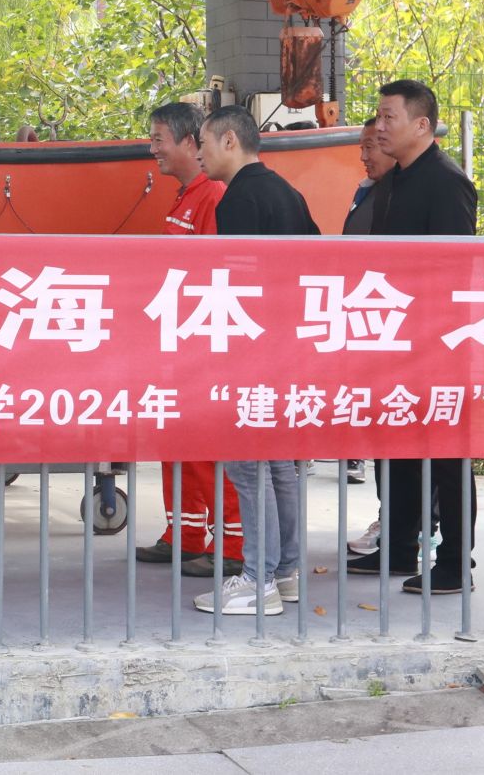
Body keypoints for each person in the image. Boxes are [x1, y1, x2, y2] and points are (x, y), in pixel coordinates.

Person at [349, 79, 478, 595]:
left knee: (447, 454)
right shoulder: (393, 180)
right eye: (378, 117)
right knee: (396, 446)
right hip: (393, 337)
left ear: (422, 125)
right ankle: (400, 545)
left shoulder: (446, 182)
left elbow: (454, 271)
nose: (380, 127)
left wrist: (432, 335)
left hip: (438, 341)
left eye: (389, 118)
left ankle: (456, 563)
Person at [194, 106, 316, 616]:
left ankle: (256, 580)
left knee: (249, 466)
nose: (198, 154)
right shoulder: (287, 192)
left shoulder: (239, 199)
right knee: (281, 464)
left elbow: (238, 284)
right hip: (289, 347)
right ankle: (285, 571)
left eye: (202, 143)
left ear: (229, 141)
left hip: (255, 349)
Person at [132, 102, 246, 580]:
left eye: (158, 139)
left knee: (208, 444)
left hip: (202, 343)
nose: (153, 148)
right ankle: (185, 533)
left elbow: (216, 277)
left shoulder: (212, 195)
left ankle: (233, 544)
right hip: (178, 341)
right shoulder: (187, 196)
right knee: (179, 440)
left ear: (187, 142)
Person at [338, 116, 395, 499]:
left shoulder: (397, 195)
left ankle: (416, 519)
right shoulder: (368, 191)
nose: (363, 156)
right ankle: (388, 514)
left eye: (369, 147)